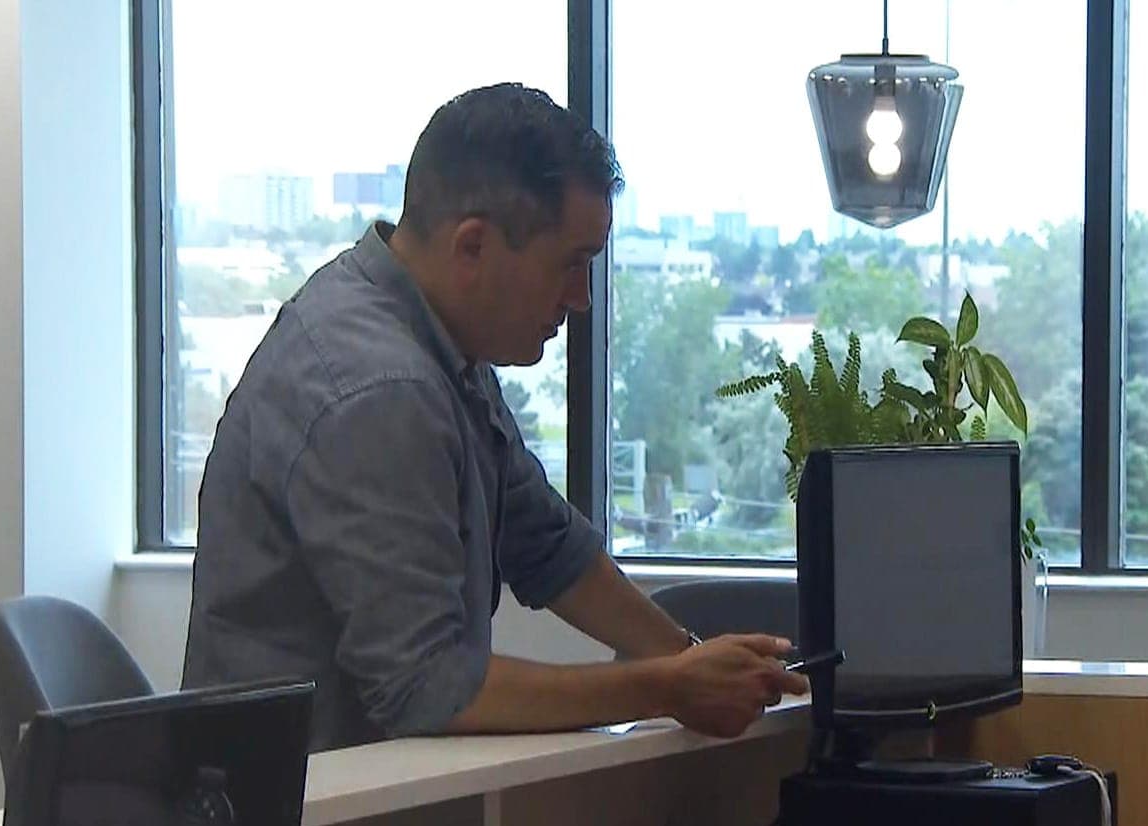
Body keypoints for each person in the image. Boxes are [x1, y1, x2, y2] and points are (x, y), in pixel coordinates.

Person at [181, 83, 804, 751]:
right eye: (571, 265)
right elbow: (428, 686)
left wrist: (694, 661)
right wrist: (668, 686)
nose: (582, 299)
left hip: (372, 804)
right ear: (473, 246)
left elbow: (545, 544)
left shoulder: (439, 337)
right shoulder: (379, 388)